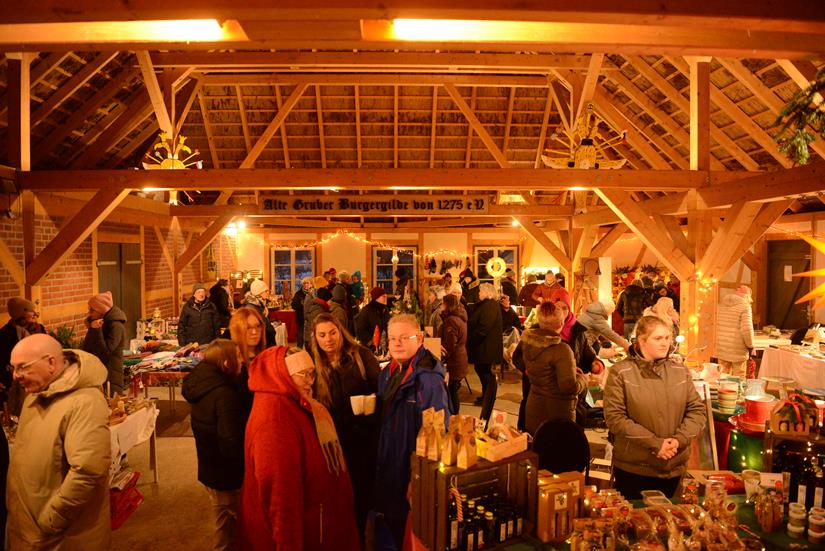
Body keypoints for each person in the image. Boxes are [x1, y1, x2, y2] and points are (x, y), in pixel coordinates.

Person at [236, 346, 360, 550]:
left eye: (312, 373)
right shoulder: (274, 422)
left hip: (318, 525)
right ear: (283, 376)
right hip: (307, 534)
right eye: (304, 375)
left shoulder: (290, 402)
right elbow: (281, 499)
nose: (311, 381)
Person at [7, 334, 111, 549]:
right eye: (13, 368)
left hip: (60, 536)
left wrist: (54, 519)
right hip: (31, 527)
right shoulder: (36, 394)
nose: (16, 376)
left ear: (51, 363)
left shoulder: (85, 402)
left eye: (23, 367)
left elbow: (88, 470)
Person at [604, 316, 707, 500]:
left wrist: (679, 440)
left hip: (674, 466)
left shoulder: (680, 371)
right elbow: (615, 418)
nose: (665, 343)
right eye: (658, 338)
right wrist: (655, 444)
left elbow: (697, 411)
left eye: (667, 338)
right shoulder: (621, 372)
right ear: (642, 341)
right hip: (635, 467)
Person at [374, 314, 450, 550]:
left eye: (405, 338)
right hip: (390, 461)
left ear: (420, 339)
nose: (397, 343)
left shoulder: (428, 380)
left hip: (409, 468)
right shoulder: (388, 372)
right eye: (393, 338)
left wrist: (418, 477)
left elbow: (437, 432)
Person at [310, 313, 380, 542]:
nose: (328, 339)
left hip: (362, 442)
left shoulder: (361, 355)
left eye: (332, 332)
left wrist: (369, 417)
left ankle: (359, 540)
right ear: (315, 338)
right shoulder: (313, 364)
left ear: (341, 332)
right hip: (331, 446)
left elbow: (381, 392)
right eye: (322, 335)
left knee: (360, 499)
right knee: (336, 499)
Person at [182, 339, 249, 551]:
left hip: (210, 468)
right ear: (227, 363)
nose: (242, 360)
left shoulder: (202, 383)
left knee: (222, 520)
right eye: (238, 356)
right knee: (243, 523)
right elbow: (231, 442)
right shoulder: (224, 394)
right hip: (227, 474)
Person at [514, 301, 587, 434]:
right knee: (556, 446)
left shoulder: (528, 342)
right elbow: (568, 387)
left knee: (537, 444)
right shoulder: (562, 349)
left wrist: (569, 371)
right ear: (561, 323)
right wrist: (582, 379)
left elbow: (542, 369)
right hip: (558, 413)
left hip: (534, 408)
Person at [549, 288, 604, 426]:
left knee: (574, 430)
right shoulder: (541, 328)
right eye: (557, 308)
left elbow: (587, 353)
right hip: (550, 393)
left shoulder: (578, 330)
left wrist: (595, 363)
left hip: (575, 394)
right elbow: (520, 357)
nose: (561, 312)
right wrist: (530, 369)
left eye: (565, 308)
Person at [1, 297, 47, 415]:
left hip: (39, 379)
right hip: (16, 383)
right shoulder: (5, 334)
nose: (35, 314)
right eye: (31, 312)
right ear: (21, 314)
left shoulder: (38, 328)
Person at [82, 290, 127, 395]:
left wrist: (96, 330)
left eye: (92, 310)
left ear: (101, 310)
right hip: (97, 373)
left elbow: (105, 353)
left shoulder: (115, 326)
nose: (89, 313)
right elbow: (87, 348)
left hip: (110, 375)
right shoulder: (96, 324)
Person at [467, 282, 503, 407]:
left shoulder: (490, 306)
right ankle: (486, 396)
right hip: (485, 346)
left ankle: (488, 398)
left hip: (486, 347)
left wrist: (472, 339)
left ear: (487, 293)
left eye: (480, 291)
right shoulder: (487, 305)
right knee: (482, 371)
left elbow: (484, 327)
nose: (479, 293)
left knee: (485, 372)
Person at [715, 285, 755, 379]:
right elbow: (747, 329)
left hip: (722, 345)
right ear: (747, 296)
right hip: (738, 348)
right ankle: (738, 389)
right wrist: (750, 345)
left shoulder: (721, 305)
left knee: (723, 376)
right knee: (739, 377)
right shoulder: (745, 307)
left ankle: (723, 389)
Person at [440, 294, 468, 414]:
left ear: (447, 305)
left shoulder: (451, 320)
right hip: (460, 357)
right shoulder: (459, 317)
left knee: (452, 391)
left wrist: (442, 351)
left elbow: (450, 344)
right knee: (453, 389)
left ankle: (454, 416)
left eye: (442, 303)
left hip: (454, 360)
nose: (441, 305)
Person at [179, 282, 221, 347]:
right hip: (192, 344)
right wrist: (182, 344)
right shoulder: (187, 307)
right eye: (198, 292)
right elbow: (181, 326)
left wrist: (217, 342)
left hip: (208, 344)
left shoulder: (211, 306)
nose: (201, 294)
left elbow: (217, 326)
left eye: (203, 292)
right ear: (194, 294)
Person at [243, 279, 277, 347]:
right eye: (266, 291)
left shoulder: (259, 305)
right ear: (259, 293)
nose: (268, 293)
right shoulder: (252, 308)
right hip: (260, 343)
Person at [355, 287, 390, 351]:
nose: (386, 298)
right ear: (376, 298)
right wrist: (371, 343)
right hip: (371, 348)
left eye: (386, 296)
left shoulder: (385, 309)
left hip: (384, 346)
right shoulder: (366, 311)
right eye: (383, 296)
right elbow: (360, 330)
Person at [291, 277, 314, 348]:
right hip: (301, 318)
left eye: (307, 283)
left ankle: (310, 350)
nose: (306, 284)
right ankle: (299, 350)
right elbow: (293, 305)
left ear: (311, 284)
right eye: (304, 283)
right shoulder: (298, 294)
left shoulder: (314, 293)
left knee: (310, 337)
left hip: (311, 318)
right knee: (300, 336)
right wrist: (301, 304)